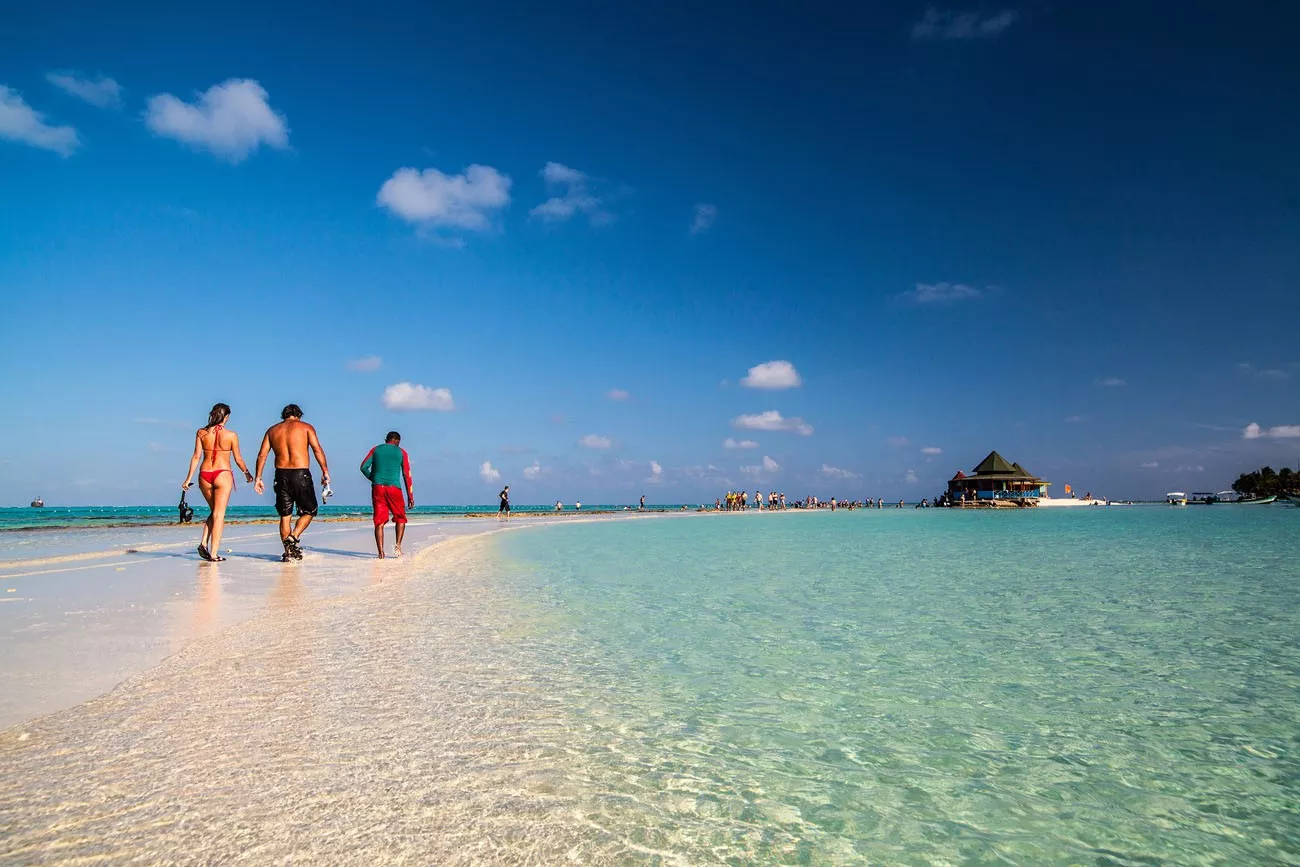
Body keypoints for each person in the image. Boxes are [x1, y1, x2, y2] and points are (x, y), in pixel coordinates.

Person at [253, 404, 330, 561]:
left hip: (280, 475)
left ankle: (288, 553)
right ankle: (293, 537)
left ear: (284, 415)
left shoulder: (272, 430)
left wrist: (258, 478)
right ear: (299, 415)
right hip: (300, 473)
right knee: (310, 510)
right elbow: (317, 450)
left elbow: (262, 455)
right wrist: (325, 471)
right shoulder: (306, 427)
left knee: (285, 516)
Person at [182, 403, 254, 562]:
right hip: (222, 474)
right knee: (219, 514)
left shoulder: (201, 433)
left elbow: (196, 457)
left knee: (215, 511)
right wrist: (247, 474)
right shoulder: (231, 435)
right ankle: (213, 554)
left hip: (204, 474)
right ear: (226, 417)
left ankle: (203, 543)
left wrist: (188, 479)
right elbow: (238, 459)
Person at [360, 431, 414, 559]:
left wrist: (374, 478)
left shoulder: (375, 449)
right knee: (400, 517)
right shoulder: (402, 452)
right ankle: (398, 547)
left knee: (379, 521)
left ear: (386, 440)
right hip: (394, 488)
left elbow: (363, 467)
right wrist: (410, 496)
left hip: (378, 488)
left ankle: (381, 553)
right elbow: (407, 475)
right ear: (397, 441)